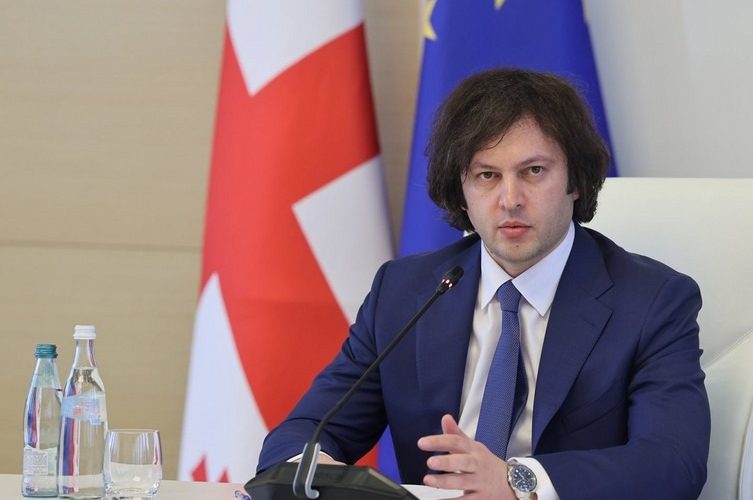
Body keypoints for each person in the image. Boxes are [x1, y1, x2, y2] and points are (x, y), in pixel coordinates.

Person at [257, 69, 710, 499]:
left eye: (533, 171)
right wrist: (312, 471)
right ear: (462, 191)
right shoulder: (404, 292)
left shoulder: (652, 302)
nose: (510, 200)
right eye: (487, 176)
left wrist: (517, 482)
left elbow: (673, 464)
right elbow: (307, 431)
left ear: (575, 181)